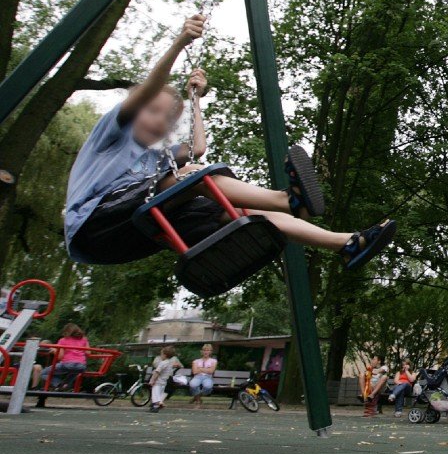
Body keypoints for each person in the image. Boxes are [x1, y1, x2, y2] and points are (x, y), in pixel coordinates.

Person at [62, 14, 396, 272]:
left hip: (129, 237)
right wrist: (180, 44)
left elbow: (197, 148)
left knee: (245, 212)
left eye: (168, 120)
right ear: (135, 108)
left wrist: (195, 101)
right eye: (154, 111)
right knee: (194, 176)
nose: (161, 122)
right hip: (94, 226)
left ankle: (347, 244)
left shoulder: (156, 158)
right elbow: (151, 89)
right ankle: (288, 200)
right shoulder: (113, 134)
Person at [48, 323, 91, 390]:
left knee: (44, 373)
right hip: (81, 366)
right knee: (75, 371)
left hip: (67, 364)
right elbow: (88, 352)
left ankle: (59, 384)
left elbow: (60, 357)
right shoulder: (84, 339)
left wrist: (54, 351)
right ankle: (65, 386)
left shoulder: (63, 340)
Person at [148, 346, 182, 413]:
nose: (161, 356)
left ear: (164, 355)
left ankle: (155, 406)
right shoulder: (170, 363)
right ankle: (157, 404)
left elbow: (157, 372)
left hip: (158, 381)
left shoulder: (162, 363)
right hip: (164, 382)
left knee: (155, 393)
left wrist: (152, 380)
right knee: (160, 394)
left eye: (161, 354)